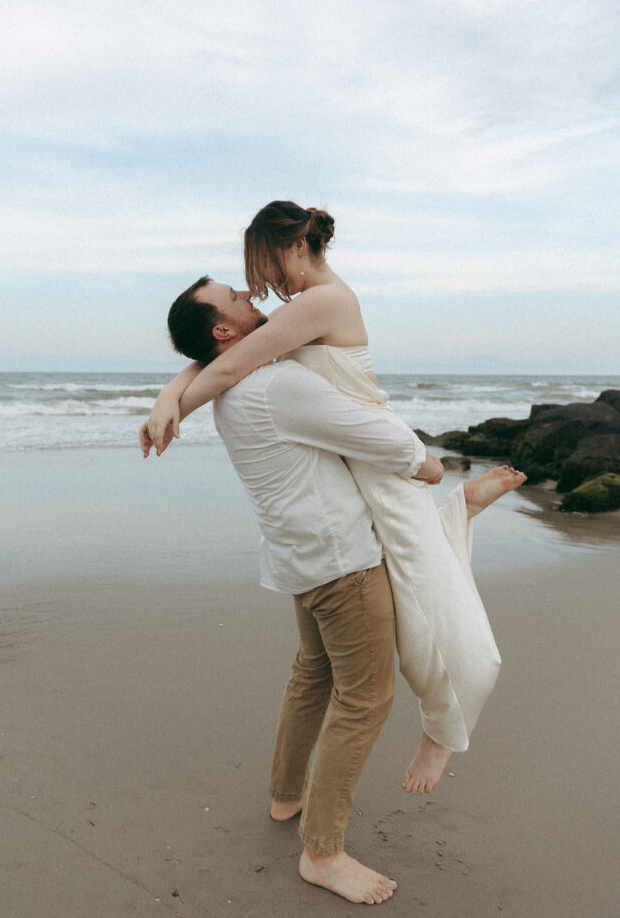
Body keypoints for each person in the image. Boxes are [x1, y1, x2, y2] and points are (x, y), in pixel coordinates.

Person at [141, 201, 526, 794]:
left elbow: (223, 367)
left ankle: (444, 730)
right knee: (410, 581)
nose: (256, 285)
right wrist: (170, 393)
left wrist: (172, 408)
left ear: (293, 247)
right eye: (242, 285)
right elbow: (214, 360)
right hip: (358, 460)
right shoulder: (299, 308)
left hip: (375, 454)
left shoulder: (321, 302)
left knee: (428, 593)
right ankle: (461, 511)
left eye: (261, 264)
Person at [146, 274, 446, 904]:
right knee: (365, 699)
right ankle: (323, 852)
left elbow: (213, 370)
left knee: (313, 673)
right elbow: (377, 435)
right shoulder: (276, 383)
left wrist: (174, 388)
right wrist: (426, 463)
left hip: (298, 556)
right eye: (238, 299)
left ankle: (287, 796)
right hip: (342, 561)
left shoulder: (232, 386)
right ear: (224, 331)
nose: (254, 299)